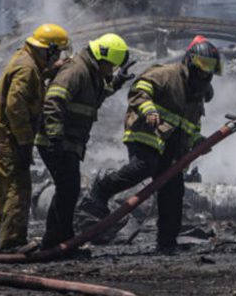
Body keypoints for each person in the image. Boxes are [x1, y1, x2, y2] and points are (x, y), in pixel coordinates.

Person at [80, 35, 220, 252]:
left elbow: (190, 126)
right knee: (144, 166)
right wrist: (148, 109)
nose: (205, 72)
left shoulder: (199, 93)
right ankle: (102, 188)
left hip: (170, 145)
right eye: (203, 65)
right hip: (146, 134)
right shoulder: (167, 74)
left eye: (210, 67)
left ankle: (166, 243)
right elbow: (139, 90)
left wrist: (197, 142)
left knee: (174, 191)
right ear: (190, 61)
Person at [35, 33, 135, 249]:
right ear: (101, 58)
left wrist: (116, 82)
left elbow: (92, 97)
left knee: (67, 190)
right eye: (111, 66)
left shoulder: (89, 72)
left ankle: (59, 240)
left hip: (67, 142)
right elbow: (53, 101)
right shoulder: (76, 70)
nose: (111, 70)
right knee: (68, 190)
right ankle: (55, 242)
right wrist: (55, 136)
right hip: (57, 142)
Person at [0, 23, 70, 252]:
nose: (59, 56)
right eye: (58, 52)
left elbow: (31, 83)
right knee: (17, 189)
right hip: (7, 138)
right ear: (49, 49)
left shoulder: (27, 61)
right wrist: (24, 142)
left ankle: (0, 243)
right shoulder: (27, 68)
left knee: (6, 192)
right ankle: (12, 244)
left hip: (0, 135)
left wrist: (49, 72)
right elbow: (15, 107)